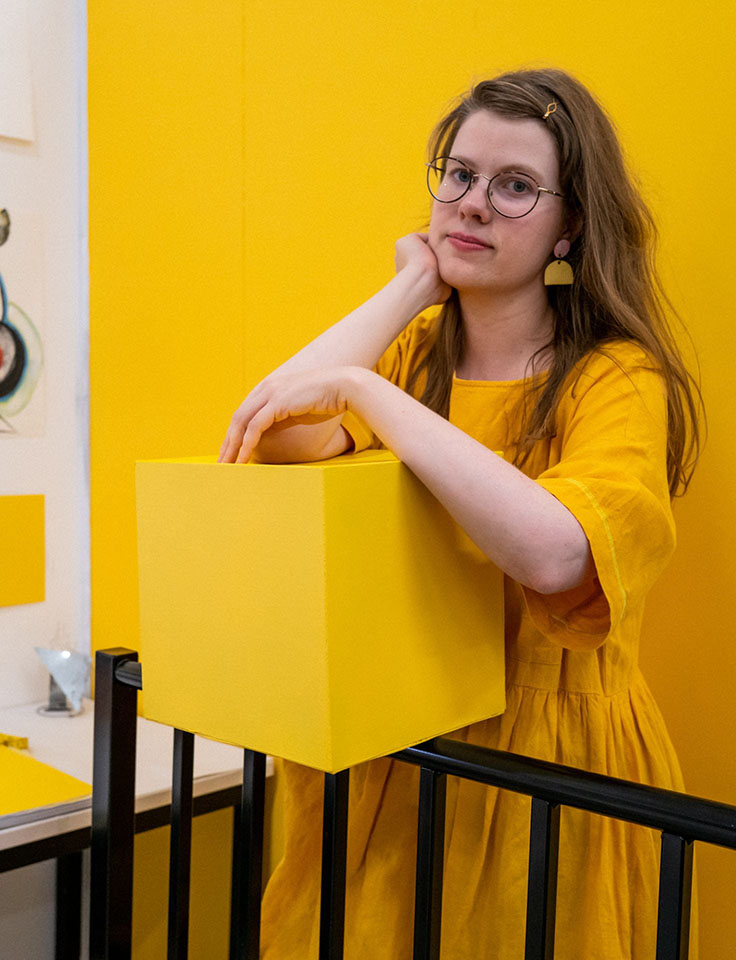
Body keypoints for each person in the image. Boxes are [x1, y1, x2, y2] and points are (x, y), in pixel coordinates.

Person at [217, 67, 704, 960]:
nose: (475, 203)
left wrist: (368, 393)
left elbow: (557, 554)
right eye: (460, 174)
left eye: (516, 187)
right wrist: (410, 288)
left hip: (544, 773)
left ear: (571, 227)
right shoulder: (412, 349)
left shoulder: (615, 376)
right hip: (399, 748)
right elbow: (267, 431)